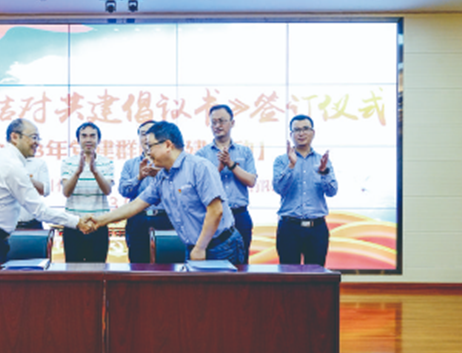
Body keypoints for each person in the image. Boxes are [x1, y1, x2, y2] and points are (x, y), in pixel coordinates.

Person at [89, 121, 245, 265]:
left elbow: (216, 210)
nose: (148, 151)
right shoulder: (162, 176)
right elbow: (135, 205)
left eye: (151, 146)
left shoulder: (199, 167)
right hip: (193, 247)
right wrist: (99, 221)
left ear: (168, 145)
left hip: (221, 247)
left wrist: (200, 247)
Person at [0, 119, 95, 263]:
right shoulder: (11, 165)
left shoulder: (0, 158)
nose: (36, 143)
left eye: (38, 138)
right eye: (33, 137)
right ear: (14, 137)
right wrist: (77, 222)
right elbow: (39, 210)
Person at [272, 114, 338, 266]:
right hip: (289, 228)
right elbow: (279, 188)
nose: (301, 133)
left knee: (315, 276)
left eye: (305, 129)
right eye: (296, 130)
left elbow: (332, 192)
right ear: (291, 134)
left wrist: (324, 172)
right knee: (288, 275)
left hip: (317, 229)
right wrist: (291, 165)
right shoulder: (281, 160)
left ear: (313, 133)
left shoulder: (322, 160)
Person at [196, 105, 257, 263]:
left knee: (242, 264)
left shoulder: (244, 152)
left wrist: (231, 164)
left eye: (222, 121)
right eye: (213, 122)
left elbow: (251, 181)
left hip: (240, 215)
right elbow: (199, 186)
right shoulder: (202, 154)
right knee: (212, 265)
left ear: (232, 123)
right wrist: (218, 168)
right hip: (214, 216)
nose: (217, 125)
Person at [118, 120, 173, 263]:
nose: (147, 138)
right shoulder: (130, 164)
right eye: (143, 134)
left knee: (167, 264)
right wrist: (139, 177)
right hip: (138, 219)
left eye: (151, 134)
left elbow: (177, 191)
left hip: (164, 217)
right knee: (138, 263)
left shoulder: (169, 164)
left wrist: (161, 174)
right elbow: (124, 191)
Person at [61, 122, 115, 263]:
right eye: (84, 136)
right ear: (78, 140)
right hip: (74, 225)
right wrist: (78, 172)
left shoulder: (107, 163)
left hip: (98, 225)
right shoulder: (68, 162)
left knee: (98, 269)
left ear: (98, 140)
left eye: (92, 136)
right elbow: (66, 192)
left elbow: (107, 191)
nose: (88, 139)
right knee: (73, 270)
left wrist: (95, 171)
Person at [15, 155, 50, 229]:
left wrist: (27, 179)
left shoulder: (39, 163)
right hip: (9, 224)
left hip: (33, 222)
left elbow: (45, 191)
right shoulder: (4, 163)